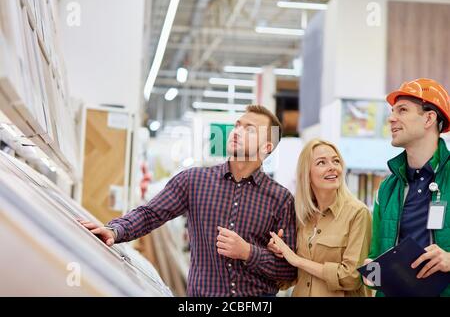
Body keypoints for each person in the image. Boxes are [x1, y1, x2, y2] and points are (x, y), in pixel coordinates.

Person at [79, 104, 297, 297]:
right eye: (237, 125)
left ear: (267, 147)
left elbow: (288, 270)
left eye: (249, 129)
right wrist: (115, 230)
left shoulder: (280, 199)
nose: (237, 132)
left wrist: (248, 252)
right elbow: (150, 214)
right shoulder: (194, 181)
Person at [363, 78, 450, 297]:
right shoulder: (388, 188)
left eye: (402, 110)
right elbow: (375, 258)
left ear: (429, 118)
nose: (391, 118)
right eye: (392, 111)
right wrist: (371, 272)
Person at [268, 139, 372, 297]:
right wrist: (279, 254)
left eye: (336, 161)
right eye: (321, 162)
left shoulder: (358, 213)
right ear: (307, 174)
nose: (332, 167)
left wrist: (297, 260)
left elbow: (352, 277)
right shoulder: (301, 217)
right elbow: (289, 279)